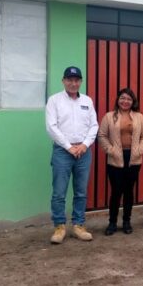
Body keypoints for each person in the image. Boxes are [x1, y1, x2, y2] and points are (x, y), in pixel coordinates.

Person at [45, 66, 98, 244]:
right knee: (59, 192)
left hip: (83, 151)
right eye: (70, 80)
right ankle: (60, 226)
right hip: (62, 151)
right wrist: (69, 147)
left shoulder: (87, 101)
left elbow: (94, 125)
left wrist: (84, 145)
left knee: (81, 192)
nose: (73, 83)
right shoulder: (54, 101)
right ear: (63, 81)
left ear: (80, 82)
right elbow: (51, 127)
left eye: (77, 80)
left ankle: (78, 225)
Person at [97, 88, 143, 236]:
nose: (125, 101)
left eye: (128, 99)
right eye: (122, 98)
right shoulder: (109, 117)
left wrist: (140, 149)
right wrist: (111, 150)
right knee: (116, 192)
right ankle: (112, 223)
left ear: (132, 102)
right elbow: (102, 136)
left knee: (128, 191)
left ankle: (126, 221)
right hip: (115, 159)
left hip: (133, 158)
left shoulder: (139, 117)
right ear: (118, 100)